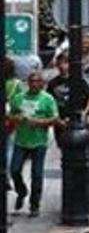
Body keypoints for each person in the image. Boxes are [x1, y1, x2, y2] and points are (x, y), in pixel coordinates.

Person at [9, 72, 58, 217]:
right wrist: (16, 118)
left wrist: (40, 122)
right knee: (14, 170)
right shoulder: (19, 98)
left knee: (37, 173)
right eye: (32, 81)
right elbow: (10, 115)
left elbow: (54, 118)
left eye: (37, 81)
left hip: (39, 141)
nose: (34, 84)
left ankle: (34, 204)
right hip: (21, 140)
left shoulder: (47, 99)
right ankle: (21, 191)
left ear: (42, 83)